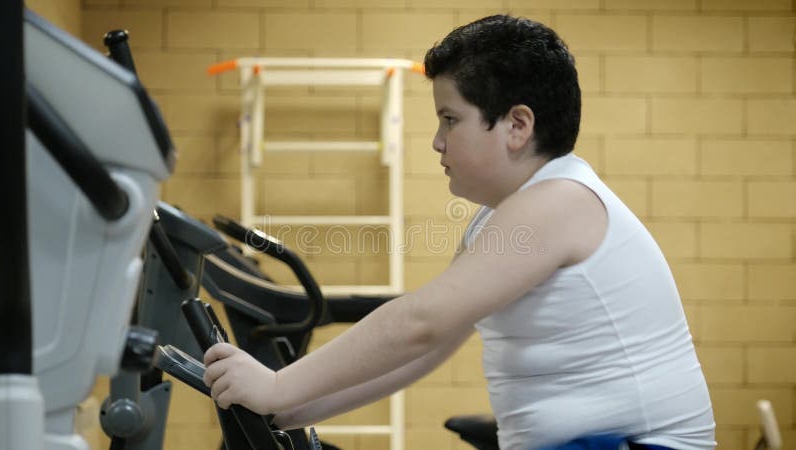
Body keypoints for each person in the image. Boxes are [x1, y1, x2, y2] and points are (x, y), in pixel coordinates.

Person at [203, 15, 716, 450]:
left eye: (451, 120)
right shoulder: (501, 216)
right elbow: (432, 344)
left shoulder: (559, 202)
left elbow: (420, 322)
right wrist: (292, 408)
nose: (436, 142)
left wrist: (276, 385)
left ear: (517, 125)